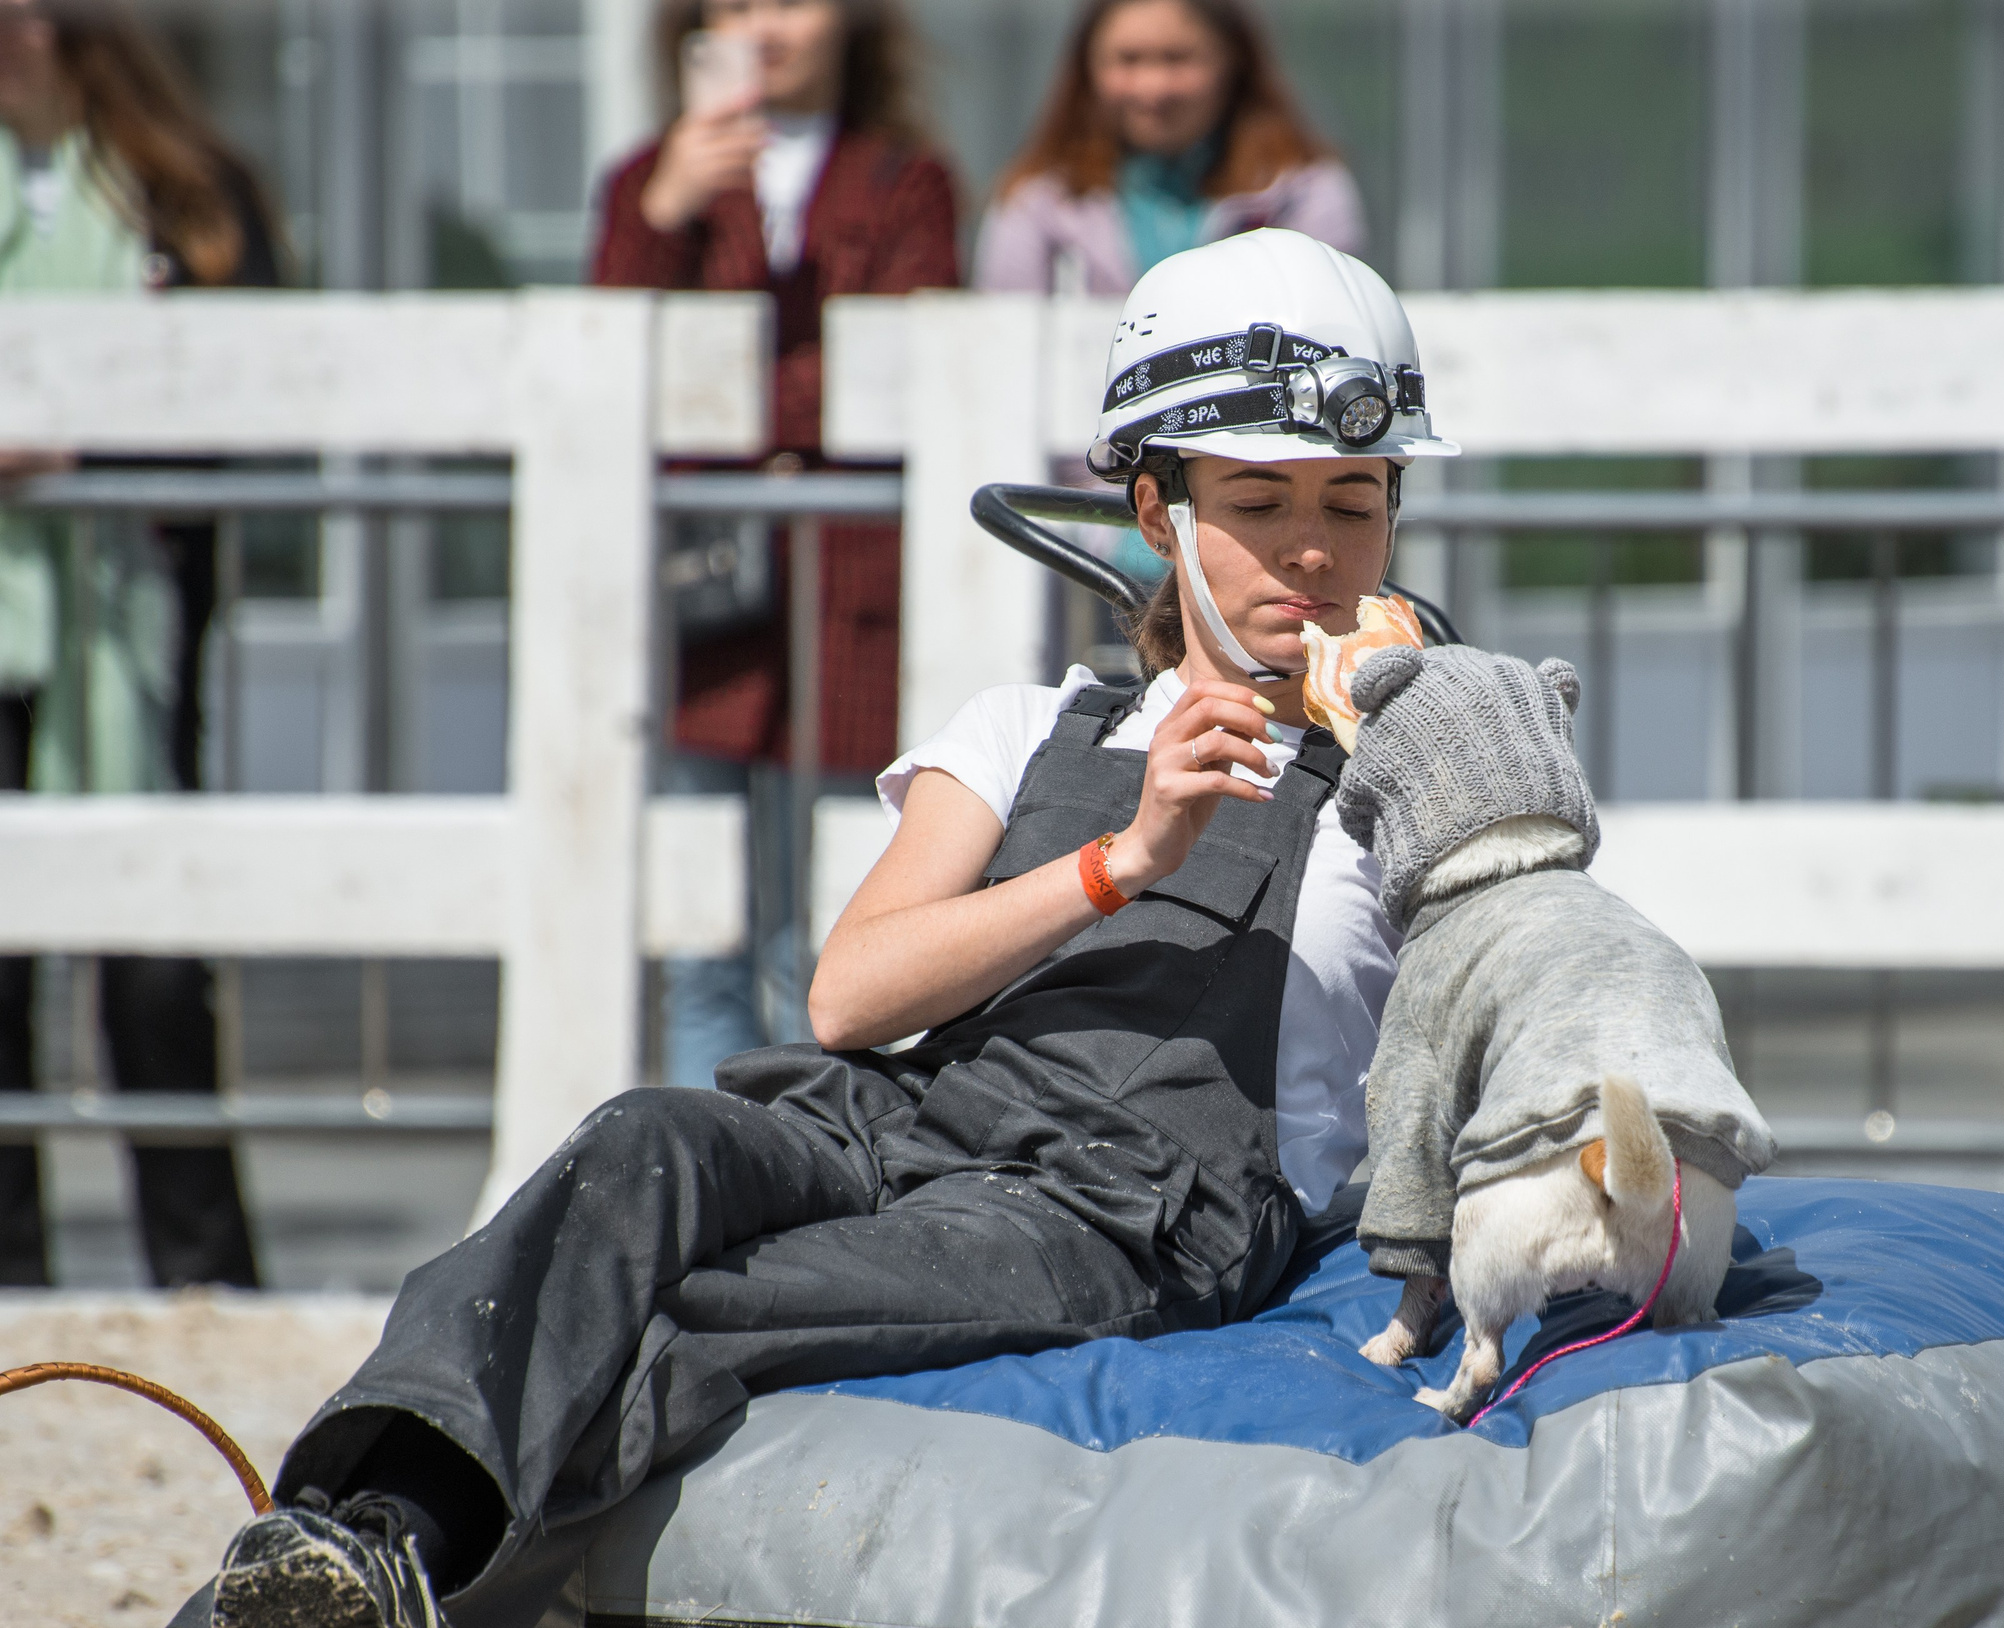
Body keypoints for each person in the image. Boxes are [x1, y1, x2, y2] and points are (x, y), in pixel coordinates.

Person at [193, 228, 1457, 1628]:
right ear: (1157, 513)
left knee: (715, 1305)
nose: (1312, 550)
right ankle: (331, 1544)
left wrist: (1421, 732)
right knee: (638, 1144)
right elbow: (850, 1000)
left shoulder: (1422, 773)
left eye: (1355, 502)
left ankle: (383, 1556)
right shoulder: (1036, 726)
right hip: (896, 1118)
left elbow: (1528, 994)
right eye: (1258, 499)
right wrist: (1125, 860)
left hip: (1119, 1210)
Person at [590, 0, 961, 1090]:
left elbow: (905, 363)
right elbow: (607, 366)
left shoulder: (906, 180)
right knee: (700, 940)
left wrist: (734, 414)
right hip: (705, 600)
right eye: (737, 4)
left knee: (828, 922)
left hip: (851, 596)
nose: (766, 28)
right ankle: (707, 1157)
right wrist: (666, 213)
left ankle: (805, 1160)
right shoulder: (648, 179)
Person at [0, 0, 286, 1290]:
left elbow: (260, 384)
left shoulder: (189, 190)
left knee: (156, 960)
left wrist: (82, 448)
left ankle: (201, 1273)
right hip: (20, 614)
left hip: (135, 615)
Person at [975, 0, 1364, 297]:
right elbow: (1006, 343)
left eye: (1177, 59)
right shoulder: (1038, 202)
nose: (1152, 88)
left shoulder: (1302, 193)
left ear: (1233, 61)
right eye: (1128, 60)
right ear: (1088, 68)